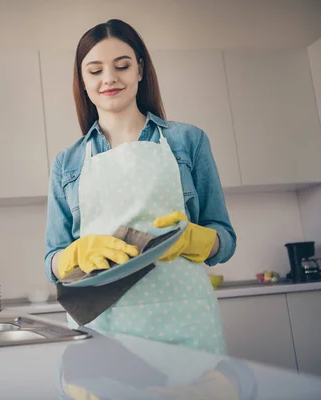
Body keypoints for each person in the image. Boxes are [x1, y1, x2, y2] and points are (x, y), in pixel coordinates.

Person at [44, 18, 237, 355]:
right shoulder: (68, 163)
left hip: (187, 324)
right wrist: (73, 254)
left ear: (140, 71)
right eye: (95, 70)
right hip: (102, 329)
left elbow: (225, 238)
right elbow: (52, 260)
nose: (109, 78)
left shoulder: (186, 141)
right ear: (82, 81)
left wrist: (198, 239)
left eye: (122, 65)